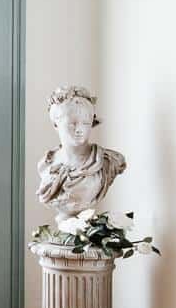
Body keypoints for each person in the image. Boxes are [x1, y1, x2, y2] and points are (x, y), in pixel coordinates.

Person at [36, 86, 126, 221]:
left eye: (86, 123)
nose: (79, 129)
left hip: (85, 230)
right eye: (72, 124)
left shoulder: (107, 162)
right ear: (56, 124)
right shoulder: (46, 164)